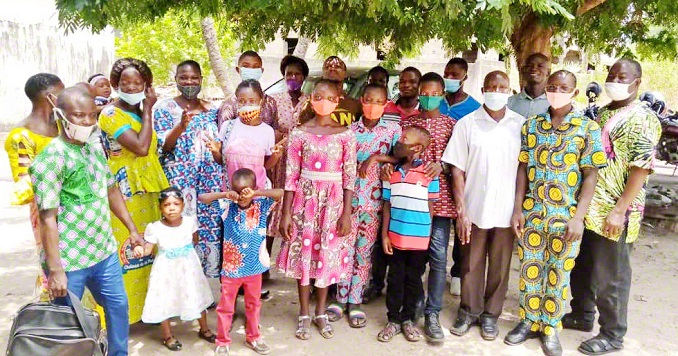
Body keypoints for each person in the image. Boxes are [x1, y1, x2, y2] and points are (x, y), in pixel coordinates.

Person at [30, 86, 141, 356]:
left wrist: (132, 229)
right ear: (61, 114)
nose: (87, 122)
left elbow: (112, 189)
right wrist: (56, 270)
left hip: (103, 252)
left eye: (92, 115)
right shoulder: (50, 159)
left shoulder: (93, 150)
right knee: (66, 325)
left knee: (117, 307)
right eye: (79, 116)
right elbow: (47, 218)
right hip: (70, 261)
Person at [564, 59, 662, 356]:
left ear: (637, 82)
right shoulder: (603, 113)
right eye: (612, 75)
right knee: (583, 268)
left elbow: (641, 168)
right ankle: (582, 314)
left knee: (611, 276)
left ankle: (612, 334)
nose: (615, 80)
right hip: (588, 209)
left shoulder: (644, 119)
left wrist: (620, 209)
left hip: (615, 212)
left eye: (623, 76)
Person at [505, 70, 606, 356]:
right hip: (533, 212)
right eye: (552, 86)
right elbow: (523, 167)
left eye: (563, 87)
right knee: (529, 270)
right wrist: (517, 208)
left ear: (574, 92)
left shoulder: (587, 128)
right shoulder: (532, 125)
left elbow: (591, 175)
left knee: (558, 275)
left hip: (566, 216)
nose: (556, 91)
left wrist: (579, 217)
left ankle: (550, 329)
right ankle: (527, 322)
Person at [443, 71, 525, 341]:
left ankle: (491, 316)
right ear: (483, 89)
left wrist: (518, 209)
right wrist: (461, 210)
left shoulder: (520, 125)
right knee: (470, 263)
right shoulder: (467, 124)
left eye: (502, 87)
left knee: (500, 267)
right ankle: (468, 311)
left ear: (509, 91)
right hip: (475, 208)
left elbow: (524, 170)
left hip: (506, 210)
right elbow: (456, 169)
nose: (496, 91)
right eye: (491, 86)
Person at [277, 79, 357, 340]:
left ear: (338, 101)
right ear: (312, 98)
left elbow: (349, 177)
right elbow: (290, 176)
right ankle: (303, 312)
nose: (324, 101)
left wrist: (346, 212)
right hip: (305, 202)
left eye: (330, 97)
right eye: (319, 96)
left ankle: (320, 312)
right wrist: (286, 213)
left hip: (333, 206)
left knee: (326, 256)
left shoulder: (345, 134)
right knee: (304, 257)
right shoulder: (299, 133)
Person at [98, 57, 170, 323]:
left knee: (151, 250)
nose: (130, 87)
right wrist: (149, 107)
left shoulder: (141, 111)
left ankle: (151, 312)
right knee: (127, 253)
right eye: (124, 83)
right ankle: (120, 318)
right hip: (126, 191)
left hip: (150, 186)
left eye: (137, 83)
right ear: (115, 85)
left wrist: (146, 108)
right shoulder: (111, 114)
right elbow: (140, 147)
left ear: (146, 85)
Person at [326, 84, 401, 328]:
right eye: (368, 100)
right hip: (347, 204)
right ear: (361, 100)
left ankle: (356, 299)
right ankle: (340, 297)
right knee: (343, 249)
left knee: (364, 253)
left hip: (374, 204)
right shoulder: (348, 131)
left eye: (378, 102)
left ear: (386, 103)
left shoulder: (392, 132)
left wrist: (377, 157)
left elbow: (402, 157)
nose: (372, 106)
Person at [199, 168, 282, 356]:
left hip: (254, 268)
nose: (241, 197)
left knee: (254, 305)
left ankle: (254, 337)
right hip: (231, 270)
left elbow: (280, 194)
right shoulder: (227, 206)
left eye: (246, 192)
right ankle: (222, 340)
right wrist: (226, 194)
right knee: (226, 306)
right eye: (237, 192)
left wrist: (257, 193)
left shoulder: (261, 206)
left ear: (254, 188)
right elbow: (203, 197)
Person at [152, 60, 224, 278]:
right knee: (180, 226)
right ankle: (181, 285)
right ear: (176, 80)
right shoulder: (165, 108)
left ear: (201, 80)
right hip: (180, 180)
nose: (189, 82)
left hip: (208, 181)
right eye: (184, 77)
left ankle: (206, 287)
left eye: (194, 78)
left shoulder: (212, 110)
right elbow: (164, 147)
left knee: (209, 229)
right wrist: (181, 126)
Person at [401, 72, 455, 342]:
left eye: (435, 94)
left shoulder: (451, 124)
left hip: (440, 201)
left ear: (443, 95)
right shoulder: (409, 122)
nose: (429, 97)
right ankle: (415, 304)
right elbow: (400, 153)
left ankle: (433, 312)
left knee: (438, 256)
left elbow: (458, 160)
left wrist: (442, 165)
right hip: (410, 198)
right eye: (425, 92)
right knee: (415, 255)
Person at [363, 67, 422, 304]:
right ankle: (376, 284)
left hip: (410, 185)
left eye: (412, 81)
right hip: (383, 183)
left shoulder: (421, 115)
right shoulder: (387, 110)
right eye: (403, 81)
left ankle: (407, 297)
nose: (407, 85)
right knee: (380, 238)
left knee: (404, 240)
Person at [377, 126, 439, 343]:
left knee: (413, 280)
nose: (399, 141)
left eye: (404, 138)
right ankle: (393, 319)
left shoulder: (430, 174)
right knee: (394, 278)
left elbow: (431, 206)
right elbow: (387, 205)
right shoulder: (391, 173)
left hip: (419, 240)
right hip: (394, 237)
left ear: (417, 148)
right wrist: (384, 235)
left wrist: (426, 234)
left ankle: (408, 320)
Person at [5, 73, 63, 300]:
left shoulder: (63, 126)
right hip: (48, 211)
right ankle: (55, 318)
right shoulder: (21, 135)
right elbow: (24, 183)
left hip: (77, 207)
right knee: (53, 265)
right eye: (62, 92)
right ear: (50, 97)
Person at [137, 187, 215, 351]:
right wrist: (139, 249)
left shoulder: (189, 222)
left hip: (188, 268)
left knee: (196, 293)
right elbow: (148, 250)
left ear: (183, 205)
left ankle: (204, 328)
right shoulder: (155, 228)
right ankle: (168, 335)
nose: (171, 208)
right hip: (165, 270)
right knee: (164, 299)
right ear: (160, 208)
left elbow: (194, 239)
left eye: (176, 204)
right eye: (166, 205)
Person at [439, 57, 482, 296]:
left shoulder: (474, 108)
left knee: (461, 221)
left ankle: (457, 271)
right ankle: (436, 268)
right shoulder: (437, 101)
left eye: (455, 74)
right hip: (436, 173)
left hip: (461, 173)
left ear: (465, 77)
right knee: (438, 224)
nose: (450, 78)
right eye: (447, 73)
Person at [266, 55, 309, 276]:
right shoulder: (273, 100)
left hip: (300, 164)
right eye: (289, 74)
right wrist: (278, 135)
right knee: (271, 211)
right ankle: (263, 267)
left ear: (304, 77)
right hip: (277, 162)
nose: (293, 78)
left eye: (297, 74)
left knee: (294, 212)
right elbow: (266, 128)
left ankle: (296, 268)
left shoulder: (309, 101)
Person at [207, 80, 281, 191]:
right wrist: (215, 151)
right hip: (230, 192)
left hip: (256, 193)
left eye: (252, 101)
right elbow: (222, 162)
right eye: (242, 101)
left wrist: (275, 156)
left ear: (261, 102)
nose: (247, 105)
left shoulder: (267, 131)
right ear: (236, 102)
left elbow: (265, 166)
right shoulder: (227, 127)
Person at [217, 50, 278, 129]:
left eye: (255, 67)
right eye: (246, 66)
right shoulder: (229, 105)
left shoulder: (270, 102)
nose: (251, 70)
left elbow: (274, 132)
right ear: (238, 70)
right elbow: (223, 135)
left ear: (261, 71)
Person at [299, 56, 361, 126]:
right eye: (327, 67)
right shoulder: (311, 103)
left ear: (345, 73)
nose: (332, 68)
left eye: (337, 66)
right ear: (323, 73)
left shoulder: (355, 105)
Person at [508, 53, 551, 119]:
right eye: (530, 65)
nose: (534, 68)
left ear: (548, 72)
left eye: (540, 66)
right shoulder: (509, 103)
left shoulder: (553, 105)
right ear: (523, 70)